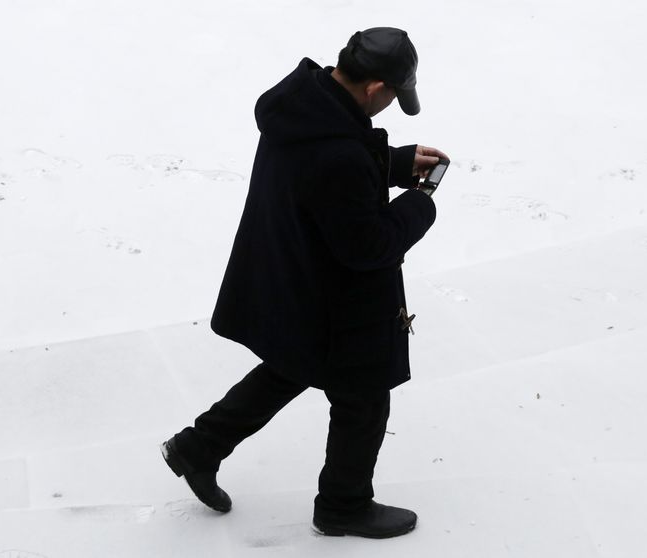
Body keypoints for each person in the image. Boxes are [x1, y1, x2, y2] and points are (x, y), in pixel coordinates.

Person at [161, 27, 448, 539]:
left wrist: (392, 162)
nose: (387, 108)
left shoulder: (303, 108)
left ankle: (197, 448)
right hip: (335, 294)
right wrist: (419, 206)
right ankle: (343, 505)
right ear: (374, 87)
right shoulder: (335, 149)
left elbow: (324, 175)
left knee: (292, 366)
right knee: (363, 396)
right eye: (391, 98)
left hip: (298, 276)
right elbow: (367, 244)